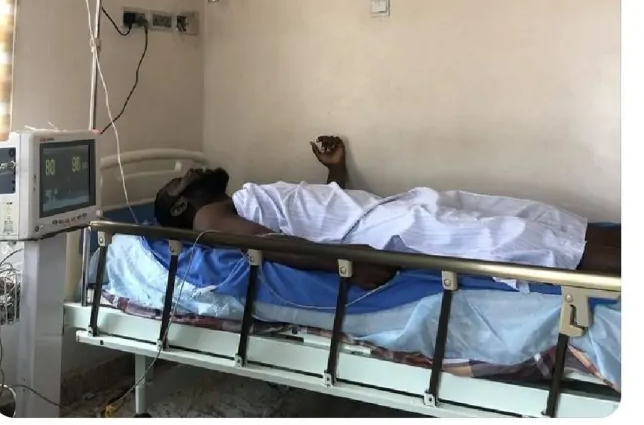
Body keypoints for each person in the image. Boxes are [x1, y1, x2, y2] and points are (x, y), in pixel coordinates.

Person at [153, 136, 620, 288]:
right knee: (517, 239)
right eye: (179, 181)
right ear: (180, 205)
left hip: (390, 206)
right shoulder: (210, 219)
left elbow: (325, 210)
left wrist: (335, 171)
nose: (189, 170)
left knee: (534, 216)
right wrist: (348, 263)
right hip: (386, 228)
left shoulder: (242, 199)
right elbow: (263, 244)